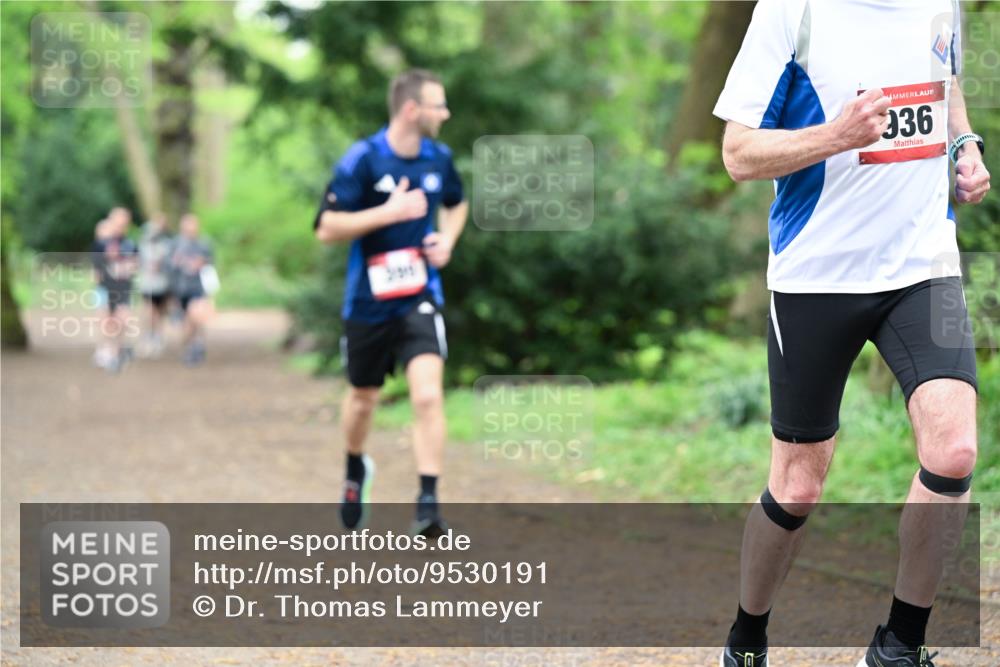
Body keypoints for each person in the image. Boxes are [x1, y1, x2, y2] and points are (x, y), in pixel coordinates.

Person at [712, 2, 990, 666]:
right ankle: (746, 639)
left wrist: (964, 144)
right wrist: (836, 136)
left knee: (954, 451)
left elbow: (944, 75)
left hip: (922, 265)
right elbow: (738, 154)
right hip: (817, 274)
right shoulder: (792, 11)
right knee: (798, 485)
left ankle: (900, 644)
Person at [314, 69, 468, 537]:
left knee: (427, 395)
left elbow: (457, 203)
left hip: (419, 296)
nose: (445, 113)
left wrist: (447, 240)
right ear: (411, 109)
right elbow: (326, 229)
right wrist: (389, 212)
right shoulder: (363, 159)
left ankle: (428, 503)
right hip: (368, 302)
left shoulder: (439, 159)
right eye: (438, 105)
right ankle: (356, 469)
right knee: (363, 399)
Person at [91, 207, 139, 373]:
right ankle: (106, 350)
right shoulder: (101, 244)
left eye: (123, 223)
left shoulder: (130, 244)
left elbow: (134, 266)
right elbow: (96, 271)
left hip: (123, 289)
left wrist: (123, 268)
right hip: (104, 288)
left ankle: (115, 351)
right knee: (105, 322)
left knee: (121, 320)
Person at [169, 213, 214, 366]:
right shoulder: (175, 244)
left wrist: (203, 264)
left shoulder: (204, 244)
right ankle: (190, 346)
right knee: (186, 322)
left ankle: (197, 345)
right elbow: (169, 268)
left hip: (198, 287)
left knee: (197, 316)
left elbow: (210, 266)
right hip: (181, 289)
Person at [137, 211, 174, 358]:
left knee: (161, 312)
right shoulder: (143, 244)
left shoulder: (168, 244)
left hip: (163, 284)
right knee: (149, 311)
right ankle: (149, 336)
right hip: (148, 284)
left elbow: (171, 264)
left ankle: (157, 336)